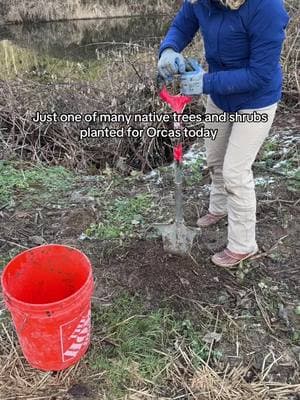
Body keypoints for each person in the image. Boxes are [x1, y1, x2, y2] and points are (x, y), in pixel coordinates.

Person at [157, 0, 289, 267]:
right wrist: (169, 48)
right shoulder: (200, 1)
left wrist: (204, 82)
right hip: (220, 97)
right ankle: (219, 208)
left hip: (256, 100)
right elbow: (183, 24)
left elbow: (259, 74)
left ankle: (243, 244)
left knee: (235, 172)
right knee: (215, 159)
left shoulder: (268, 8)